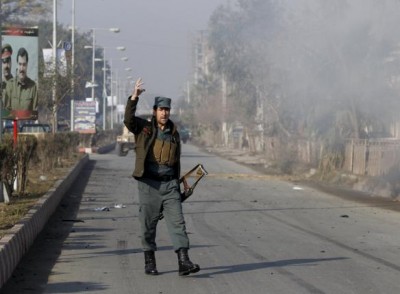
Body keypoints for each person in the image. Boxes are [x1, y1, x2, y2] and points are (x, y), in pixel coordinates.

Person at [124, 77, 200, 276]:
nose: (164, 113)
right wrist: (134, 97)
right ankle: (150, 261)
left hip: (170, 186)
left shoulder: (174, 133)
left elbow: (175, 160)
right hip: (149, 185)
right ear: (155, 111)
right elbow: (128, 121)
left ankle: (184, 261)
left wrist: (180, 185)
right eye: (161, 109)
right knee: (148, 225)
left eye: (167, 110)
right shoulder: (145, 128)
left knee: (178, 223)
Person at [4, 47, 38, 112]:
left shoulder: (33, 87)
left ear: (27, 65)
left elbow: (34, 113)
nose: (21, 68)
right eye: (20, 64)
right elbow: (6, 113)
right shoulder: (10, 85)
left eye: (24, 65)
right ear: (17, 64)